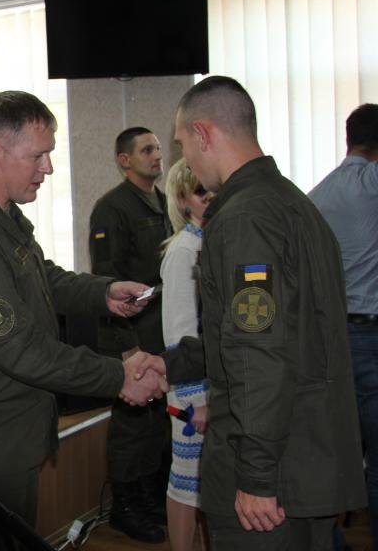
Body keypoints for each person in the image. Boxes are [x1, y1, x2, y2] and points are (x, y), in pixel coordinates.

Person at [0, 90, 168, 551]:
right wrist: (119, 376)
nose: (48, 168)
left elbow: (39, 275)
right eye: (38, 156)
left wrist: (102, 293)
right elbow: (20, 349)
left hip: (9, 429)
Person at [149, 75, 366, 550]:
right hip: (309, 458)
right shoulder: (293, 203)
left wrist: (256, 475)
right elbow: (275, 333)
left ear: (204, 133)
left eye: (183, 145)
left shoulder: (244, 217)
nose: (186, 159)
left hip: (274, 479)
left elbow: (257, 352)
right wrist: (169, 364)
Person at [88, 126, 172, 543]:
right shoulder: (112, 208)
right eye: (146, 150)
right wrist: (127, 348)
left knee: (158, 425)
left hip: (161, 331)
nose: (157, 156)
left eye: (157, 148)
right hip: (130, 336)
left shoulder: (163, 201)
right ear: (124, 160)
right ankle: (125, 507)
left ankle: (150, 498)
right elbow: (108, 280)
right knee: (132, 427)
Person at [308, 103, 378, 550]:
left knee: (338, 458)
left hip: (332, 340)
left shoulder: (318, 194)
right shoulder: (372, 183)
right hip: (371, 338)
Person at [160, 158, 212, 551]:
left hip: (213, 381)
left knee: (206, 484)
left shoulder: (212, 242)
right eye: (199, 191)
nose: (209, 197)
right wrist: (196, 399)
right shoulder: (183, 251)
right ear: (182, 200)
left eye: (212, 189)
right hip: (192, 387)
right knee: (186, 483)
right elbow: (180, 333)